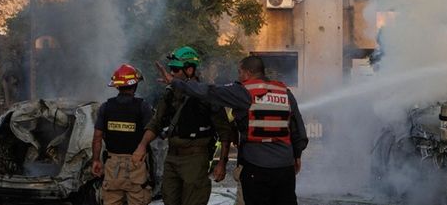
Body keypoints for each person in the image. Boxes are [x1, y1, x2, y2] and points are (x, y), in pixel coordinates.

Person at [157, 55, 308, 205]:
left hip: (256, 166)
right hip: (285, 167)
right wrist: (297, 155)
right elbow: (298, 129)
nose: (239, 76)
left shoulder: (244, 91)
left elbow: (209, 91)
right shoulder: (285, 92)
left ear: (248, 73)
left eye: (240, 72)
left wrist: (175, 83)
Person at [132, 46, 233, 205]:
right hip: (172, 158)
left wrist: (221, 163)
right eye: (171, 69)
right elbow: (156, 122)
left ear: (190, 70)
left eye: (176, 69)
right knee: (169, 199)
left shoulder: (208, 95)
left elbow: (225, 132)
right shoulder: (170, 93)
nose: (171, 73)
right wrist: (142, 145)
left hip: (196, 159)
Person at [92, 64, 153, 205]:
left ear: (117, 86)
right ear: (135, 85)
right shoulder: (143, 107)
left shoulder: (106, 107)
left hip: (112, 166)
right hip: (136, 164)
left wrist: (96, 160)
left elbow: (97, 138)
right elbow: (152, 131)